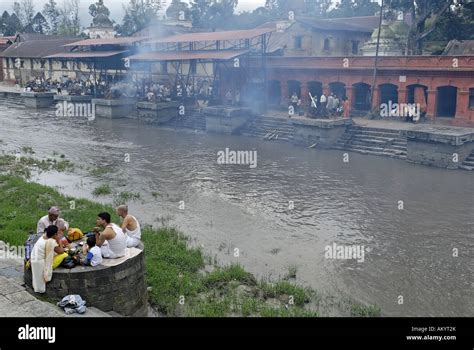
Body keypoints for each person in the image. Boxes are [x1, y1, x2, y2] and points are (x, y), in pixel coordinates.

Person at [30, 225, 68, 293]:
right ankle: (40, 291)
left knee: (36, 279)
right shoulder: (51, 242)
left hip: (33, 257)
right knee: (64, 254)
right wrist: (59, 240)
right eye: (57, 233)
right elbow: (61, 251)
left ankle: (37, 288)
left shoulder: (44, 236)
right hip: (39, 261)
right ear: (54, 234)